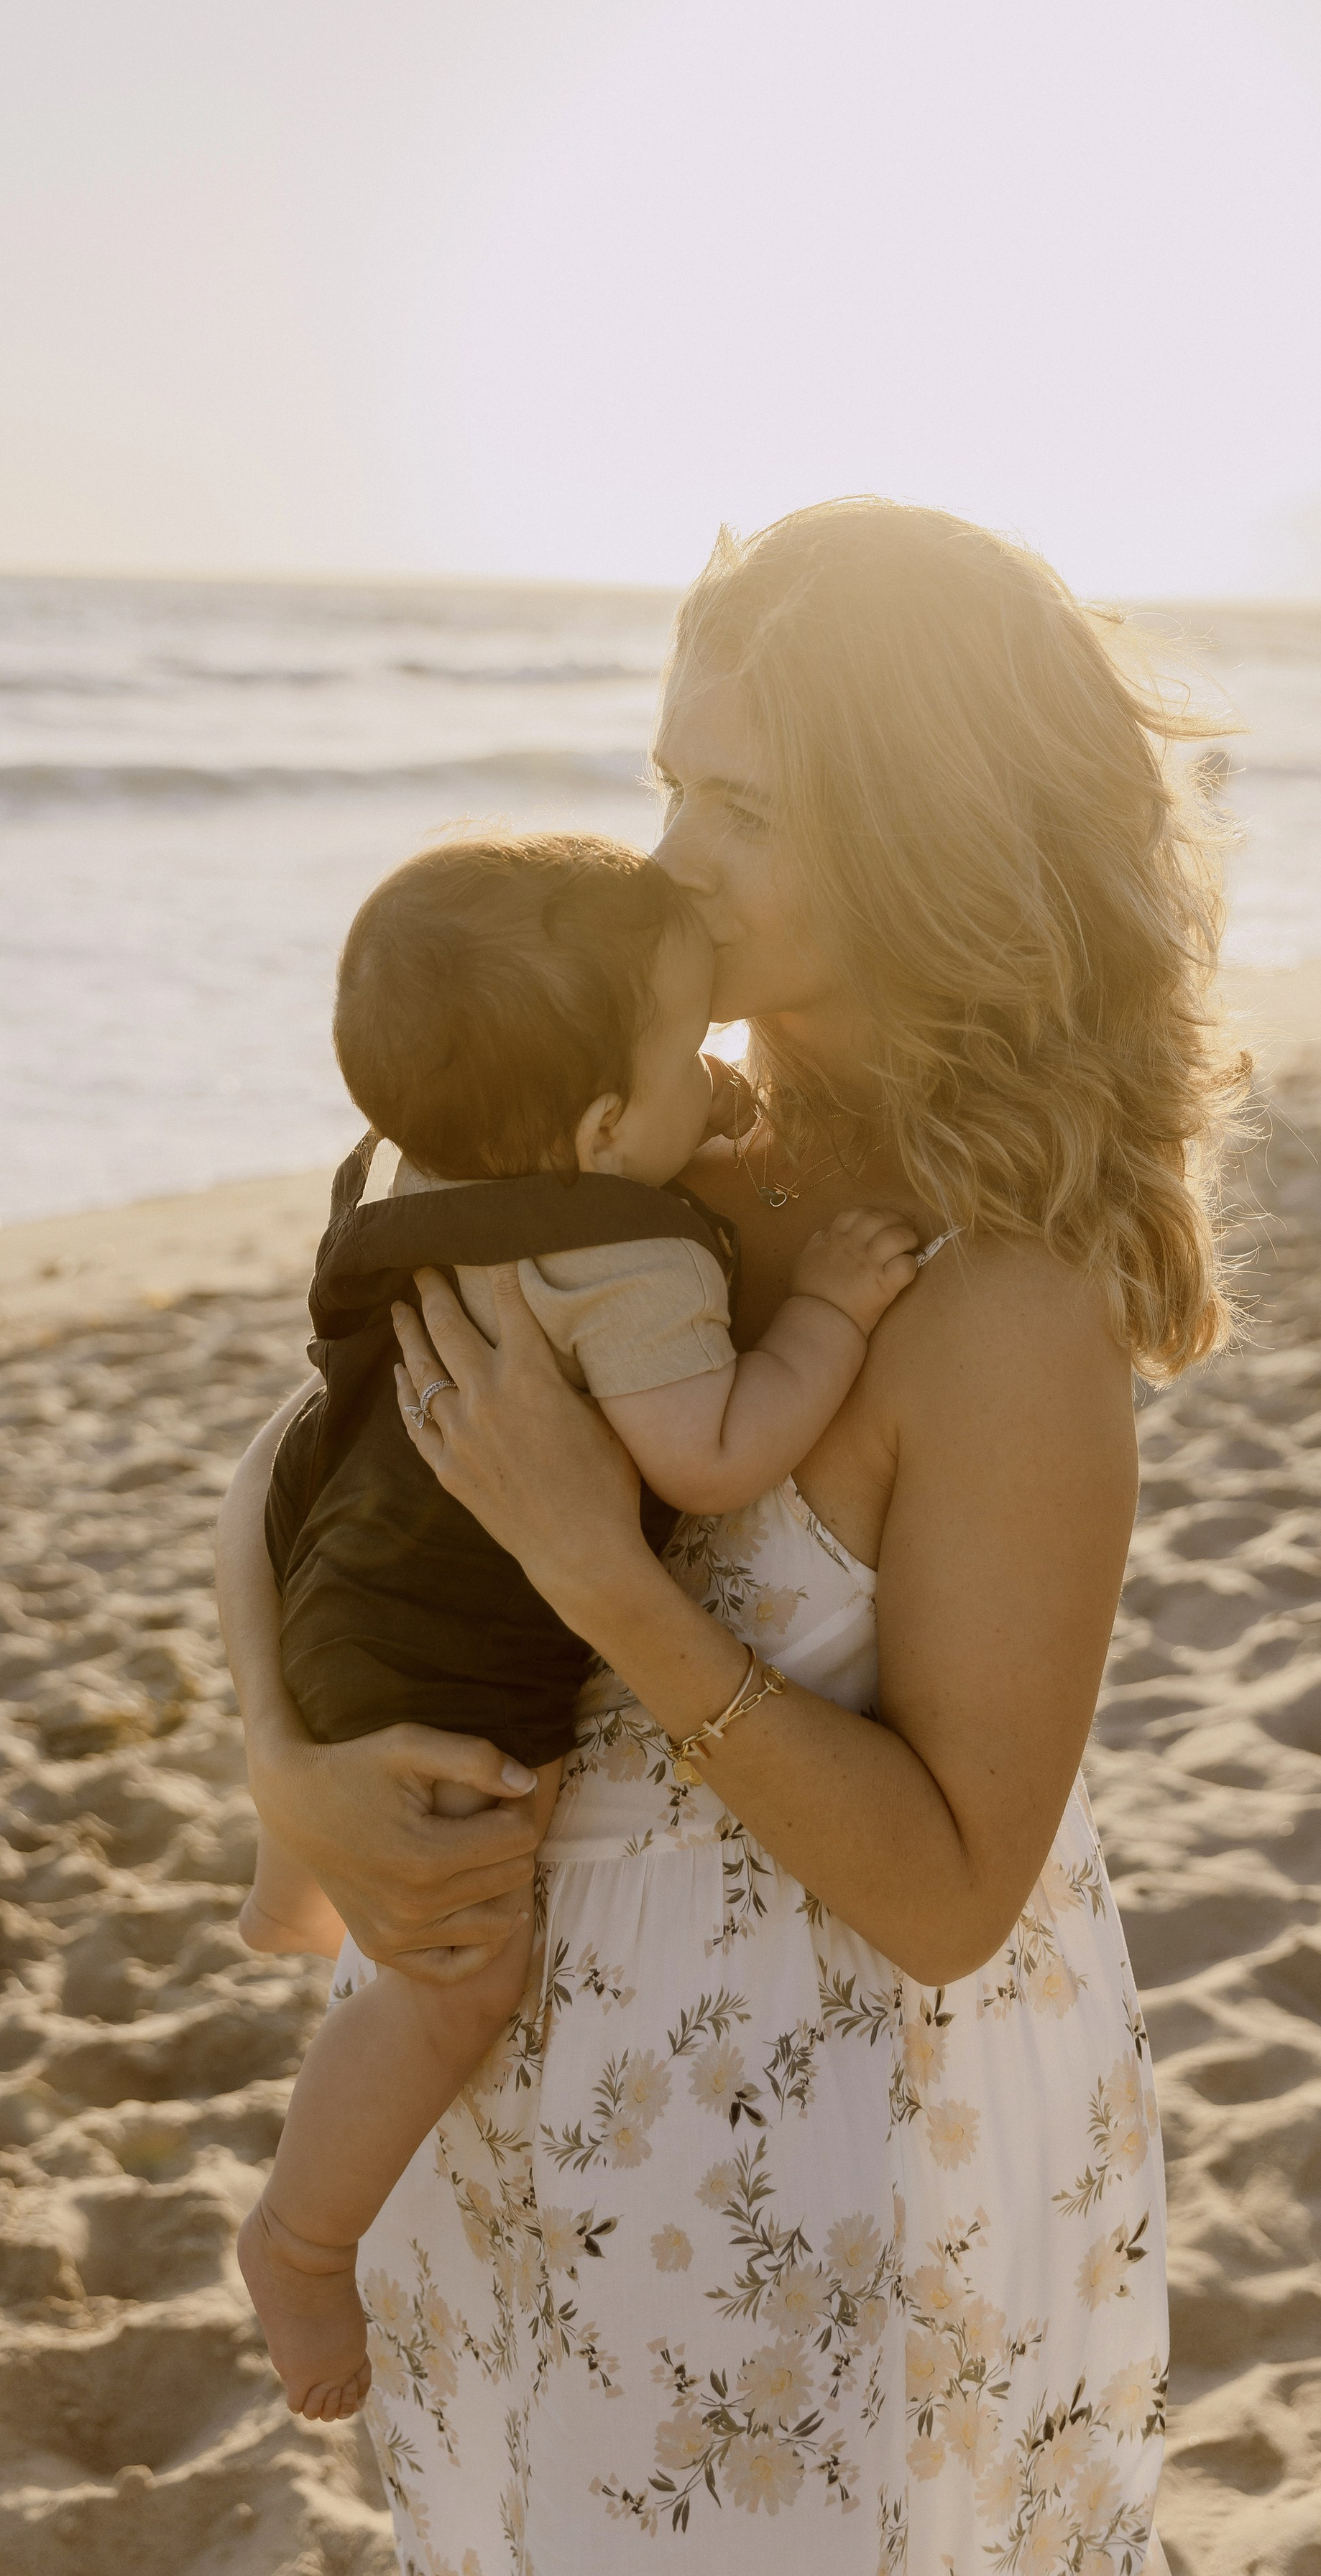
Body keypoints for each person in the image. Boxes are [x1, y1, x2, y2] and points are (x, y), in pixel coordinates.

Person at [216, 498, 1243, 2570]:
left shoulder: (1001, 1304)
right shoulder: (607, 1146)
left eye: (748, 803)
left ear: (924, 832)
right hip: (514, 2091)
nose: (676, 854)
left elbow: (956, 1890)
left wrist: (610, 1578)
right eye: (672, 777)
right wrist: (288, 1765)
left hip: (827, 2155)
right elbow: (307, 1464)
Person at [236, 830, 920, 2419]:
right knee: (454, 1981)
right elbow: (710, 1449)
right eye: (691, 1052)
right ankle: (295, 2235)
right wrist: (823, 1308)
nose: (715, 1069)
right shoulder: (619, 1248)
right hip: (446, 1657)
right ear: (605, 1126)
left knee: (364, 1803)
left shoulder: (432, 1182)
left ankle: (292, 1866)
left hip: (331, 1574)